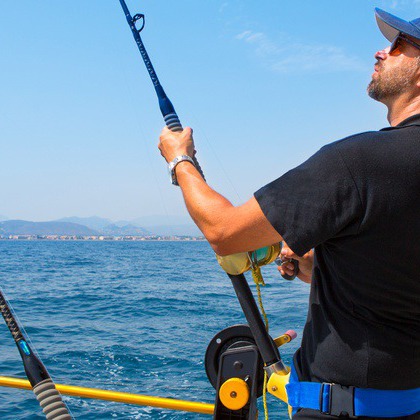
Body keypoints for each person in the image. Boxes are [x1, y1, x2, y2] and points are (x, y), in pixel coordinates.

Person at [158, 7, 419, 419]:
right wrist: (314, 267)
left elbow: (223, 231)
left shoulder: (359, 161)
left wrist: (180, 161)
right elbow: (396, 275)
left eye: (399, 45)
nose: (380, 52)